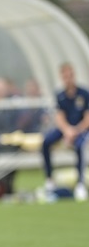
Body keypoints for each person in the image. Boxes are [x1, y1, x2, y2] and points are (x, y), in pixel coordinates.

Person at [42, 62, 89, 201]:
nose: (68, 79)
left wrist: (76, 130)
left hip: (81, 129)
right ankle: (49, 180)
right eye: (65, 76)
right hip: (66, 129)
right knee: (46, 142)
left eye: (70, 75)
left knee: (80, 146)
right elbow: (59, 117)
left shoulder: (84, 93)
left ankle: (80, 183)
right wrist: (67, 131)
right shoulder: (60, 96)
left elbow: (87, 118)